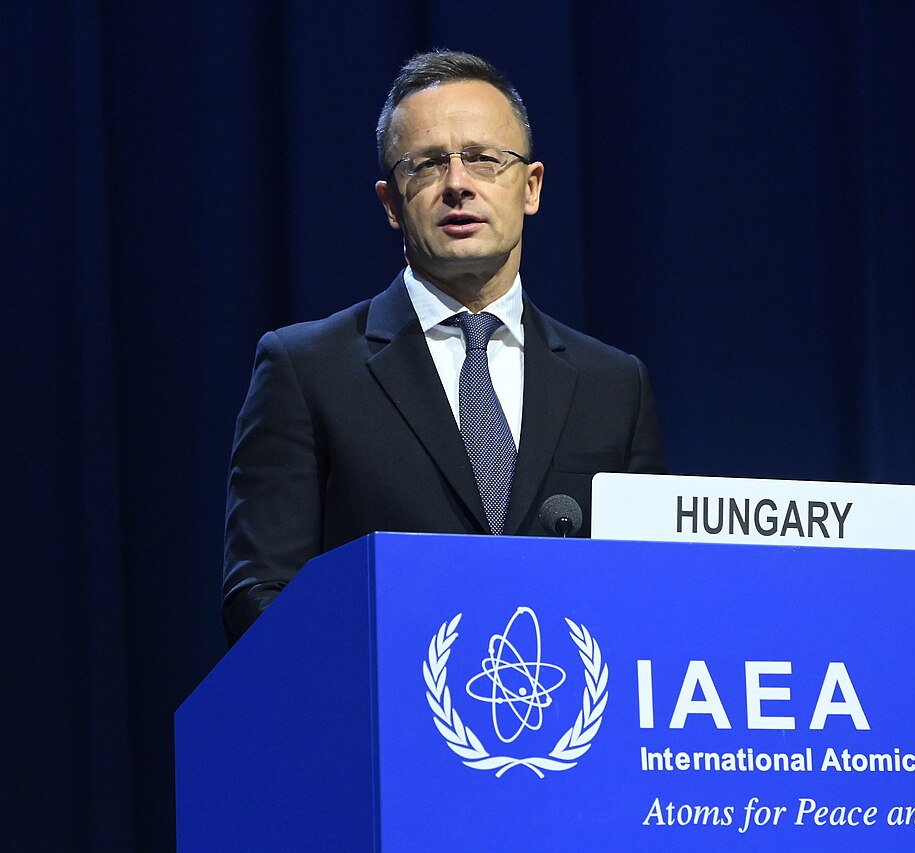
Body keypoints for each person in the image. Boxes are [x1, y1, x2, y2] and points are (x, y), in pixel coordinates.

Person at [222, 50, 665, 645]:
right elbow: (261, 596)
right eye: (427, 165)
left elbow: (650, 591)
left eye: (484, 159)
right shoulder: (306, 370)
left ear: (531, 187)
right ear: (391, 204)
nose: (457, 184)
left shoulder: (615, 385)